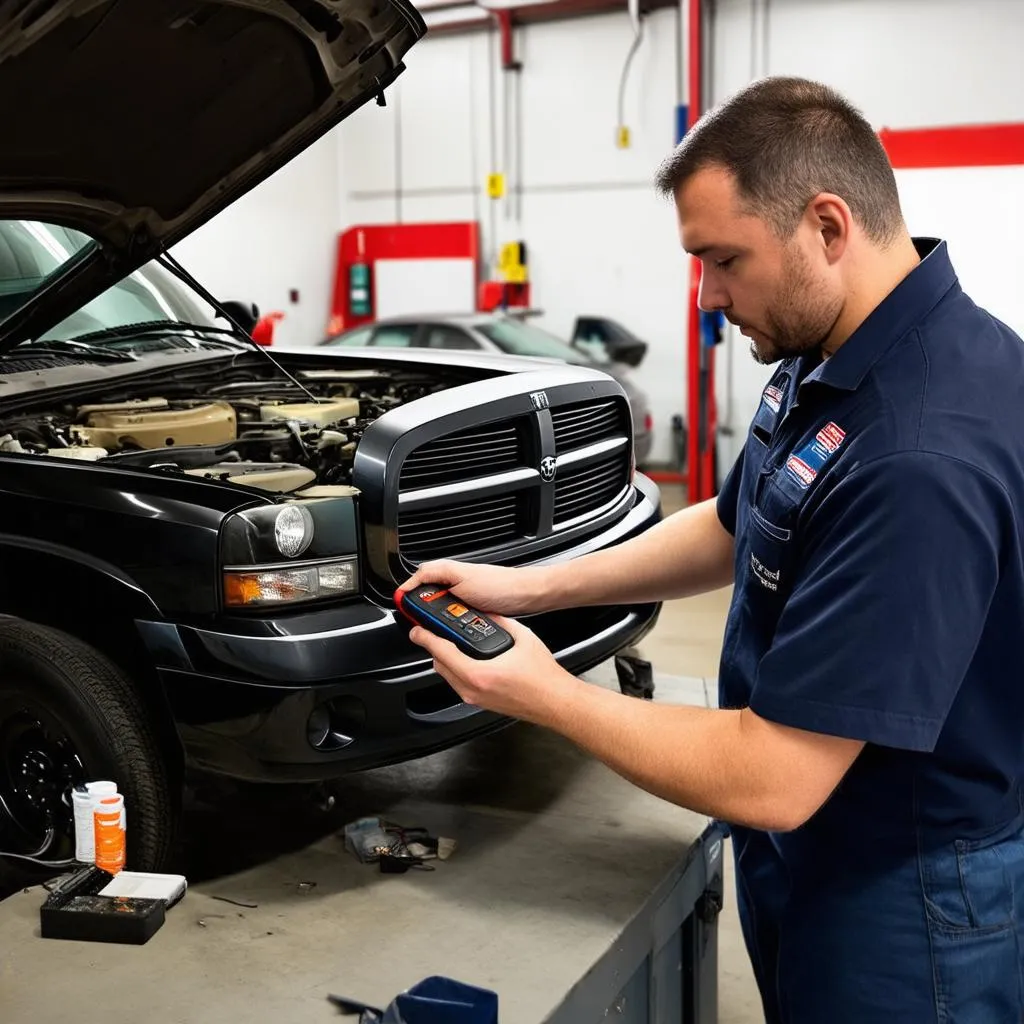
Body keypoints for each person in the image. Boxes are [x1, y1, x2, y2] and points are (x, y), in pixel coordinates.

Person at [400, 76, 1024, 1023]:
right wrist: (530, 589)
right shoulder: (833, 349)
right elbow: (737, 523)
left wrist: (545, 694)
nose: (709, 296)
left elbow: (773, 776)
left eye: (724, 260)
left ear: (827, 226)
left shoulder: (920, 454)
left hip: (908, 897)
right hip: (815, 853)